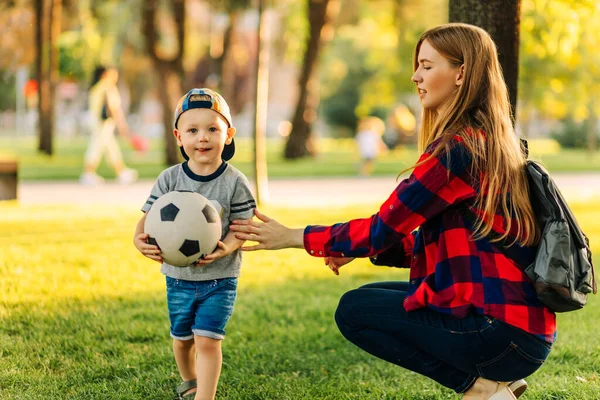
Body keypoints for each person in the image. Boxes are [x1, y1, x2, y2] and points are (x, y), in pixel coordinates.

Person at [230, 23, 554, 400]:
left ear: (461, 74)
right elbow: (438, 246)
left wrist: (294, 237)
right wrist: (356, 250)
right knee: (380, 294)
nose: (416, 76)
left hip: (501, 332)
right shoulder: (489, 142)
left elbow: (383, 228)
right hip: (523, 331)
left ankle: (480, 387)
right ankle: (501, 383)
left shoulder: (456, 152)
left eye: (427, 66)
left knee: (355, 309)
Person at [133, 88, 256, 400]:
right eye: (193, 130)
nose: (203, 138)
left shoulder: (235, 182)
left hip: (221, 279)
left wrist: (227, 246)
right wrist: (138, 239)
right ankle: (190, 381)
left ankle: (206, 395)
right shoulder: (170, 179)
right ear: (178, 136)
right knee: (182, 339)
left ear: (228, 135)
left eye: (212, 129)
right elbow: (147, 218)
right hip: (178, 279)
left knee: (208, 340)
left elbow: (243, 226)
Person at [80, 65, 138, 185]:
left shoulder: (96, 87)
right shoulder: (107, 87)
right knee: (96, 147)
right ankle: (88, 173)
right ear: (105, 74)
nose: (115, 76)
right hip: (103, 123)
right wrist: (122, 125)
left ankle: (121, 172)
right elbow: (114, 108)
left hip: (97, 122)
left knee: (111, 148)